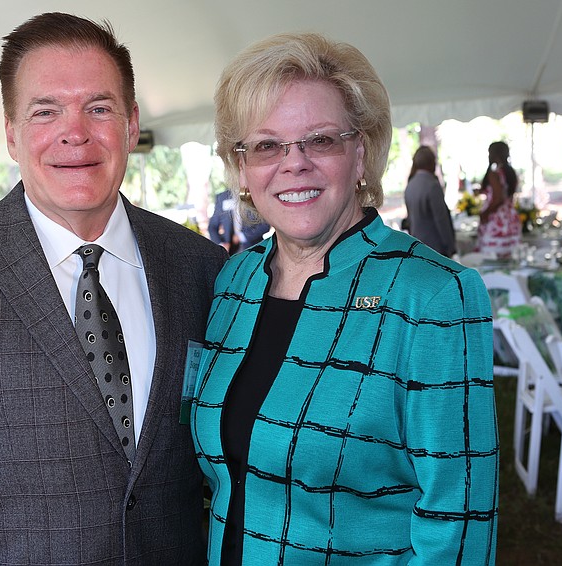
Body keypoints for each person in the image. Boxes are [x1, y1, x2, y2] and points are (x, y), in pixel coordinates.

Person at [0, 12, 227, 565]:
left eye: (98, 108)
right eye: (45, 111)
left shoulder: (201, 268)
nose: (75, 132)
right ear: (11, 133)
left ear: (129, 124)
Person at [190, 32, 499, 564]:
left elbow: (459, 522)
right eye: (266, 145)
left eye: (321, 140)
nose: (295, 163)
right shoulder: (232, 282)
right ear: (242, 169)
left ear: (362, 152)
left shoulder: (434, 295)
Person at [404, 145, 456, 257]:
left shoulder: (410, 185)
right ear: (432, 162)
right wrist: (450, 246)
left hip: (417, 245)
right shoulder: (432, 185)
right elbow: (441, 219)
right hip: (435, 248)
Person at [476, 141, 520, 257]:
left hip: (498, 219)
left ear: (494, 154)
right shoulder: (510, 173)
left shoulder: (495, 173)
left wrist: (485, 213)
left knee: (492, 257)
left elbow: (498, 198)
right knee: (509, 257)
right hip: (510, 217)